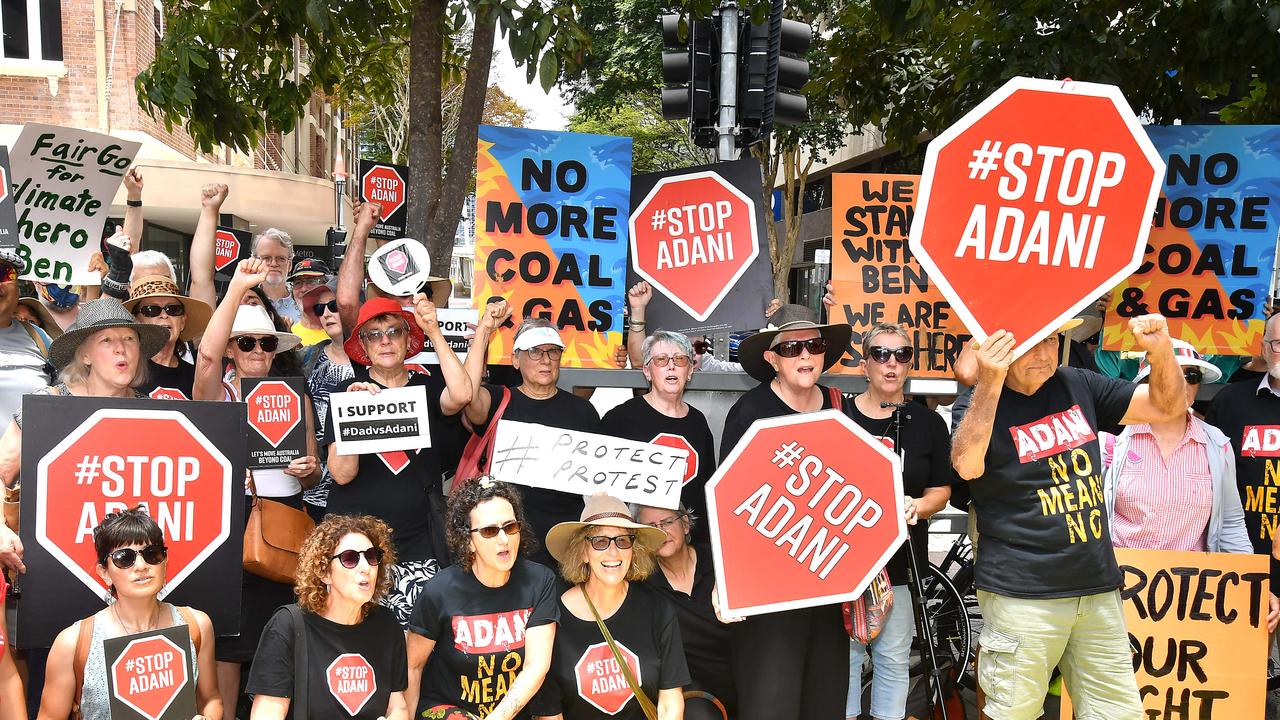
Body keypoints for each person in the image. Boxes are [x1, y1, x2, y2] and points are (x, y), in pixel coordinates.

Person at [951, 315, 1187, 720]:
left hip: (1095, 586)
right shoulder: (978, 400)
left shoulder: (1078, 382)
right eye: (1032, 343)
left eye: (1053, 341)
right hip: (1022, 591)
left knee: (1118, 713)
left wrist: (1162, 350)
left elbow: (1168, 406)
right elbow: (967, 465)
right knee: (1012, 713)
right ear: (1002, 349)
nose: (1045, 354)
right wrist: (988, 380)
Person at [194, 259, 321, 714]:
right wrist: (239, 289)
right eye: (246, 342)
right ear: (231, 348)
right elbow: (204, 358)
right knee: (229, 646)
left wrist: (308, 470)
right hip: (233, 523)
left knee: (284, 637)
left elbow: (316, 473)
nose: (257, 351)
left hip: (285, 523)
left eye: (266, 343)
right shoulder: (218, 394)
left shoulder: (294, 393)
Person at [718, 303, 853, 720]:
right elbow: (729, 502)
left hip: (829, 585)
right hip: (769, 591)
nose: (805, 355)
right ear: (772, 359)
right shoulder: (750, 414)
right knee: (771, 701)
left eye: (813, 345)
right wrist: (727, 581)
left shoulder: (840, 407)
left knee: (823, 699)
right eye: (792, 347)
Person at [323, 295, 473, 627]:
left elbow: (463, 394)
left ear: (408, 339)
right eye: (374, 334)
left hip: (419, 547)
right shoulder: (348, 391)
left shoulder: (427, 387)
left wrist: (433, 330)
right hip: (358, 553)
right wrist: (353, 416)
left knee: (417, 651)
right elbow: (342, 474)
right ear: (363, 344)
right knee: (357, 642)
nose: (386, 340)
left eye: (394, 331)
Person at [844, 322, 952, 720]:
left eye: (901, 355)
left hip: (902, 564)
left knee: (892, 659)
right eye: (880, 354)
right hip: (842, 564)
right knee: (846, 661)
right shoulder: (838, 418)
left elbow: (942, 490)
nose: (891, 363)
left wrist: (918, 508)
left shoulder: (928, 423)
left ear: (910, 363)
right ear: (864, 363)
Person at [37, 507, 220, 720]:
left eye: (153, 554)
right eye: (125, 558)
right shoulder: (73, 642)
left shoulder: (196, 625)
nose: (141, 566)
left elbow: (211, 700)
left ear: (165, 560)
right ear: (104, 572)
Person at [405, 477, 558, 719]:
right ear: (468, 541)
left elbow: (536, 667)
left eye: (510, 527)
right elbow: (412, 666)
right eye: (489, 531)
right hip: (448, 708)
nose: (504, 539)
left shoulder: (540, 581)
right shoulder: (439, 591)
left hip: (509, 712)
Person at [464, 304, 600, 565]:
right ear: (516, 359)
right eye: (535, 352)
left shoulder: (583, 411)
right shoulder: (497, 400)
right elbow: (466, 394)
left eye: (553, 351)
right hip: (506, 537)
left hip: (565, 540)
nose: (546, 359)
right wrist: (483, 333)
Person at [531, 495, 688, 720]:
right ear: (583, 552)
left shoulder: (658, 609)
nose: (613, 553)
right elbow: (551, 714)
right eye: (600, 542)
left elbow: (670, 705)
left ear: (634, 550)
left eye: (623, 541)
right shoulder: (553, 619)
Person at [247, 514, 408, 720]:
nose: (365, 567)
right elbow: (267, 714)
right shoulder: (288, 625)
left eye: (371, 556)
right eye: (350, 558)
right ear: (325, 573)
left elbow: (398, 706)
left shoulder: (386, 624)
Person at [599, 330, 716, 536]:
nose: (671, 366)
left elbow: (708, 489)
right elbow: (599, 490)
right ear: (647, 370)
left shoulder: (698, 422)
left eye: (680, 360)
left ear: (690, 371)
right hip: (635, 542)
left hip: (688, 545)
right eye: (661, 360)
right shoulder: (620, 419)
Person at [633, 504, 734, 719]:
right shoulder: (642, 584)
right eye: (651, 527)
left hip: (747, 670)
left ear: (685, 524)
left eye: (668, 522)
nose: (661, 532)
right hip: (692, 688)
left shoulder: (720, 559)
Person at [1207, 314, 1280, 604]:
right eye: (1278, 343)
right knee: (1248, 650)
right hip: (1240, 567)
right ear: (1263, 348)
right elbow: (1208, 472)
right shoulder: (1230, 400)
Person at [299, 284, 353, 522]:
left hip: (364, 486)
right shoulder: (307, 359)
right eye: (320, 309)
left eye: (333, 306)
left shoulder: (378, 359)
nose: (326, 314)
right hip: (317, 491)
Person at [124, 274, 213, 400]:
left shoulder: (196, 378)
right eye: (151, 310)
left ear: (182, 322)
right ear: (136, 322)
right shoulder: (124, 371)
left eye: (173, 309)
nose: (164, 315)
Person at [250, 229, 301, 323]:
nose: (273, 263)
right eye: (266, 258)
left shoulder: (304, 304)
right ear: (255, 261)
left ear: (289, 265)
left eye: (281, 258)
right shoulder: (244, 302)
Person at [286, 259, 335, 347]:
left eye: (311, 281)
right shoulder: (287, 334)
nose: (303, 289)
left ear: (328, 287)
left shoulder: (341, 332)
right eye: (297, 283)